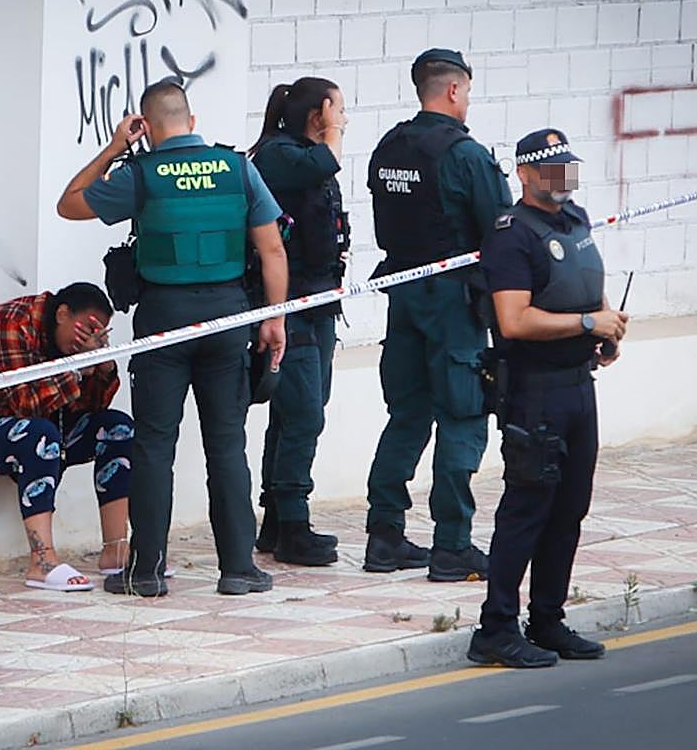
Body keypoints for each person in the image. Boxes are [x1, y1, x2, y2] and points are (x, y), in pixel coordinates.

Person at [57, 77, 288, 598]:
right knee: (227, 444)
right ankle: (237, 569)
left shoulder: (141, 173)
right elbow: (272, 251)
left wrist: (116, 146)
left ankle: (145, 572)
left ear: (148, 128)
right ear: (192, 121)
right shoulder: (237, 167)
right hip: (230, 317)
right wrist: (274, 320)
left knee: (155, 445)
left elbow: (69, 204)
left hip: (163, 319)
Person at [468, 128, 627, 667]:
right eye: (550, 169)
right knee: (527, 510)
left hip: (579, 383)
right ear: (526, 174)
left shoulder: (575, 220)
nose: (562, 179)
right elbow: (514, 320)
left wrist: (603, 330)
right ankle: (495, 628)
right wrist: (586, 321)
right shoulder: (513, 234)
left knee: (569, 509)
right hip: (535, 393)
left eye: (567, 168)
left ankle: (548, 619)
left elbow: (587, 280)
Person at [363, 48, 513, 581]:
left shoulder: (389, 147)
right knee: (462, 416)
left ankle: (383, 536)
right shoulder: (467, 155)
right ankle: (452, 545)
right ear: (453, 90)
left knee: (406, 414)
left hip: (404, 295)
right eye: (467, 91)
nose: (467, 101)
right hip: (453, 302)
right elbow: (501, 231)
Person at [0, 283, 133, 592]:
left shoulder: (77, 346)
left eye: (99, 333)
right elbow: (25, 405)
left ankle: (116, 550)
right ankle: (42, 561)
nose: (88, 339)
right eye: (86, 330)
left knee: (118, 428)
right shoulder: (8, 323)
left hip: (36, 430)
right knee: (40, 435)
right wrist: (77, 370)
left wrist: (101, 366)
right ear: (62, 314)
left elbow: (92, 408)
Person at [247, 77, 350, 567]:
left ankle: (276, 518)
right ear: (318, 115)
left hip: (318, 303)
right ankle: (293, 525)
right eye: (338, 112)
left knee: (296, 413)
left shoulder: (299, 154)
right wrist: (332, 132)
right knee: (304, 413)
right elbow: (324, 162)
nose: (343, 122)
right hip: (290, 309)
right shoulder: (277, 155)